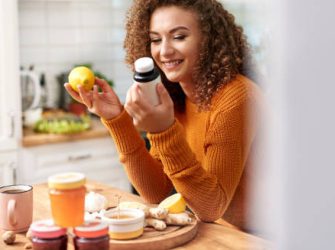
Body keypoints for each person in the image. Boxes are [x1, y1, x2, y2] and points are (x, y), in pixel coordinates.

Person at [65, 0, 267, 234]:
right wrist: (117, 120)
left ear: (208, 40)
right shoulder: (175, 96)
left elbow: (212, 208)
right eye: (156, 39)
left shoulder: (237, 97)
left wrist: (163, 130)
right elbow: (158, 193)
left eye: (179, 36)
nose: (164, 51)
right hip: (216, 234)